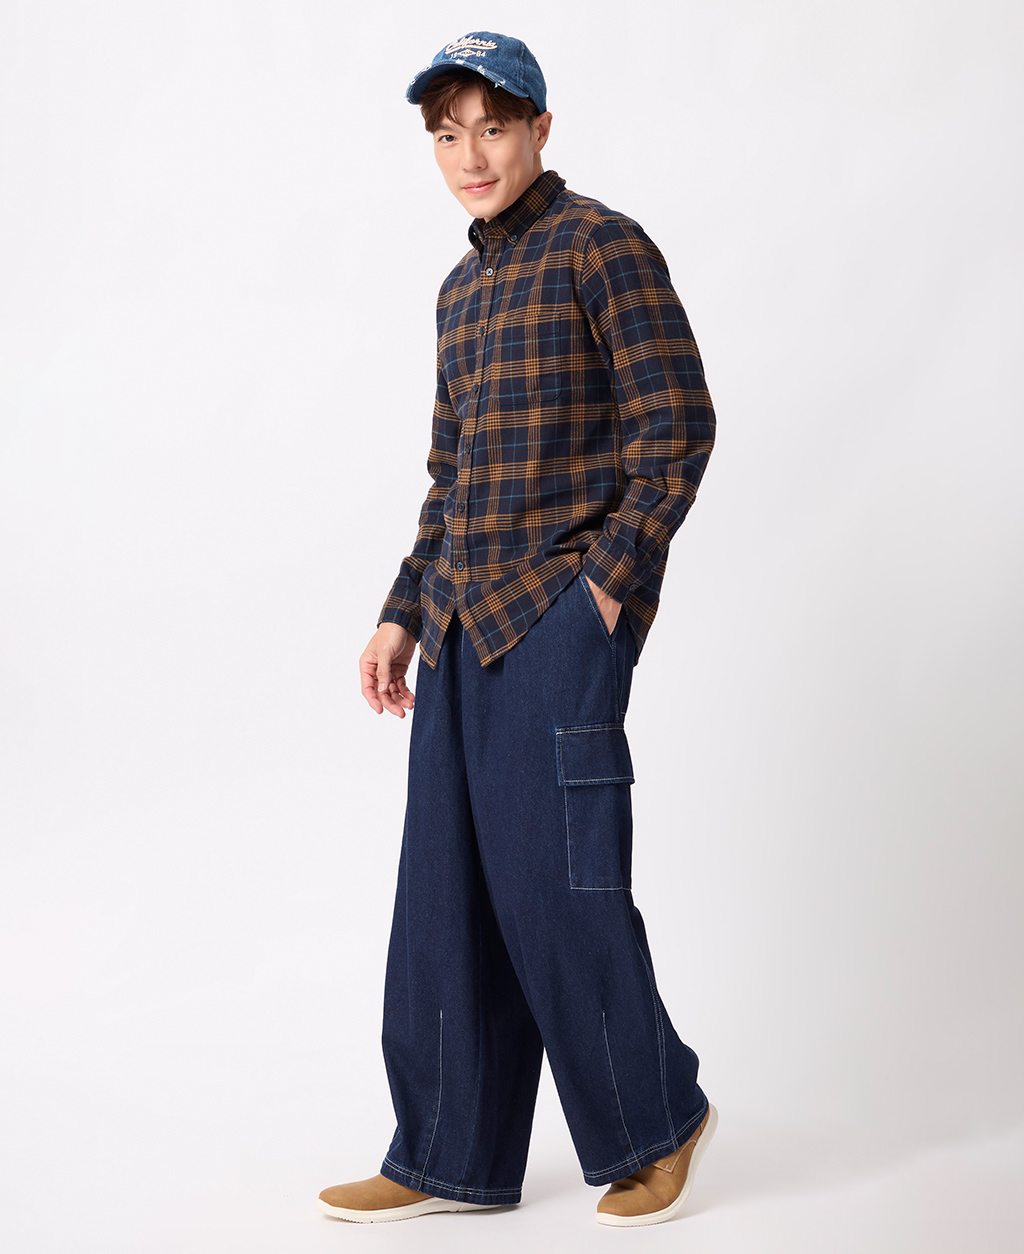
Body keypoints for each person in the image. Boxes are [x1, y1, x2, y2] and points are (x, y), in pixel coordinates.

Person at [318, 30, 718, 1228]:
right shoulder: (460, 291)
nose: (470, 155)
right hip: (456, 625)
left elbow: (676, 428)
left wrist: (606, 591)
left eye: (492, 127)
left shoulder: (601, 247)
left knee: (560, 889)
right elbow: (449, 478)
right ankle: (446, 1154)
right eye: (447, 135)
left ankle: (658, 1122)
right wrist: (400, 613)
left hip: (554, 615)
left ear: (541, 128)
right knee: (442, 894)